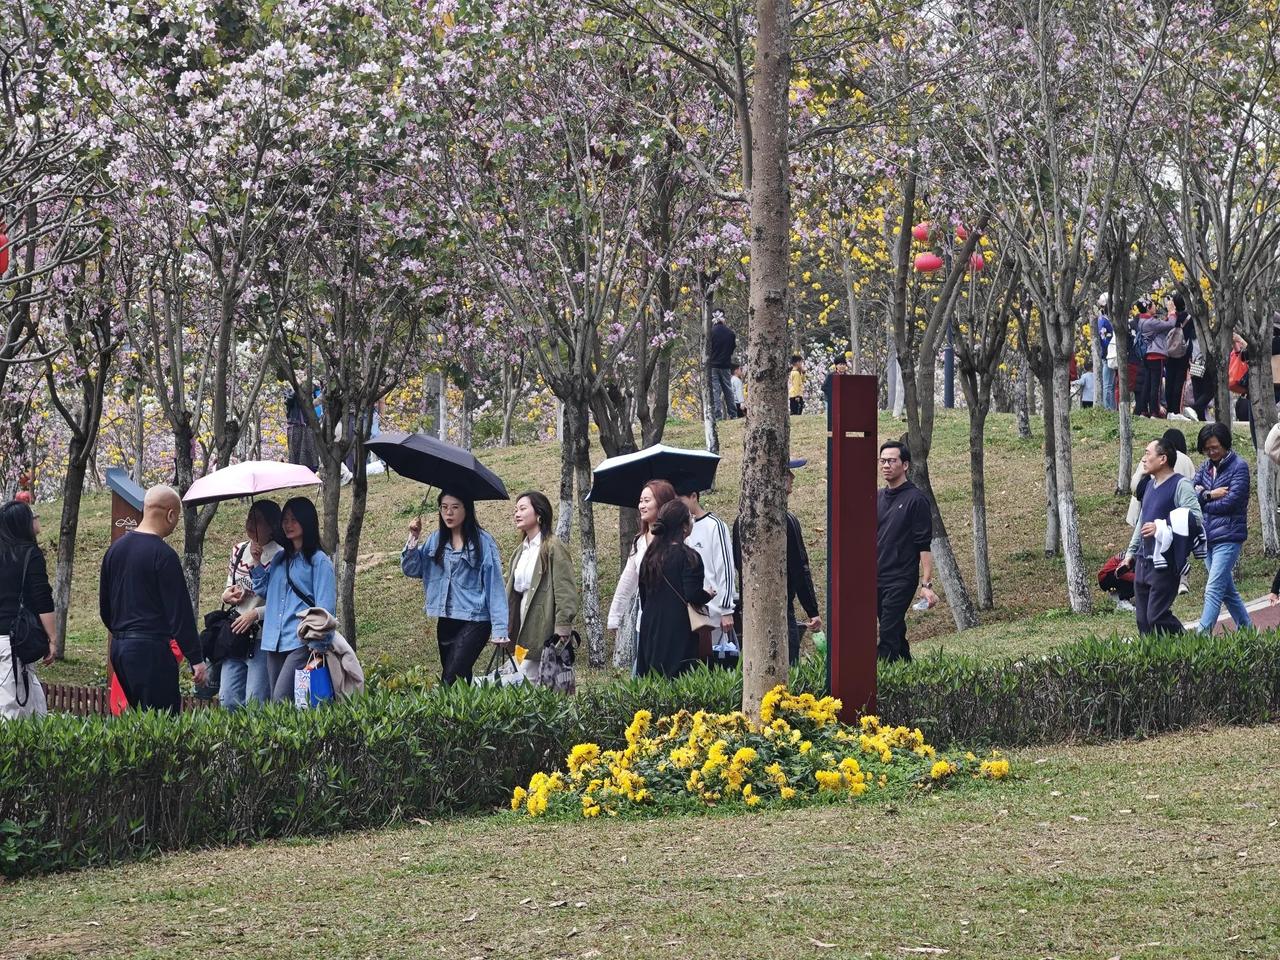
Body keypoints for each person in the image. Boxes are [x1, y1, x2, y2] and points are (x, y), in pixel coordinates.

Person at [100, 485, 206, 713]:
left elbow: (105, 608)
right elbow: (179, 613)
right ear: (170, 514)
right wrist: (195, 657)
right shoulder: (163, 555)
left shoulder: (114, 550)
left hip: (120, 648)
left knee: (136, 720)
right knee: (162, 721)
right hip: (151, 651)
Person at [402, 491, 509, 685]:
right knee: (461, 681)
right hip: (446, 619)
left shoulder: (483, 542)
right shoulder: (436, 540)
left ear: (467, 509)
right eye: (444, 507)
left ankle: (442, 715)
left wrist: (500, 628)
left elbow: (495, 586)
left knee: (450, 679)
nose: (448, 513)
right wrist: (413, 537)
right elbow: (412, 569)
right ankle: (464, 715)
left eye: (455, 507)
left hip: (476, 620)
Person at [731, 460, 821, 665]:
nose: (793, 478)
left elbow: (739, 564)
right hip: (780, 606)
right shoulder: (785, 520)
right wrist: (812, 610)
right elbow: (800, 568)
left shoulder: (742, 519)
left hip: (751, 608)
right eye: (787, 473)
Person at [252, 496, 336, 702]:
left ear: (306, 522)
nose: (288, 525)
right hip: (274, 641)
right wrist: (256, 562)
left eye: (294, 519)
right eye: (285, 520)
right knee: (280, 702)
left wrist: (317, 647)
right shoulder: (281, 558)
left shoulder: (318, 561)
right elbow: (266, 592)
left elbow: (325, 609)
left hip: (300, 641)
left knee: (282, 697)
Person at [1119, 438, 1204, 636]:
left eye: (1148, 454)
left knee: (1156, 616)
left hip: (1165, 562)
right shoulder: (1149, 486)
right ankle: (1153, 663)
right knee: (1143, 622)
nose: (1144, 459)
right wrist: (1130, 553)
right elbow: (1141, 522)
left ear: (1163, 458)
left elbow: (1196, 518)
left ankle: (1189, 645)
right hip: (1143, 561)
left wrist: (1162, 527)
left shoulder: (1180, 485)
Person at [636, 499, 714, 678]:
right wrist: (708, 595)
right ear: (684, 527)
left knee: (652, 680)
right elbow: (693, 594)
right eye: (690, 518)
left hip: (651, 626)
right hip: (678, 629)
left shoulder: (649, 557)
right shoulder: (689, 557)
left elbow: (644, 598)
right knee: (679, 680)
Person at [218, 501, 284, 710]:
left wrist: (255, 614)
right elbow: (230, 584)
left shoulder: (281, 555)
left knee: (256, 701)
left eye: (257, 521)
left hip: (262, 638)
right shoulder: (239, 550)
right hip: (236, 637)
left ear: (272, 526)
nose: (249, 524)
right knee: (227, 699)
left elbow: (281, 601)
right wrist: (228, 595)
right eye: (249, 518)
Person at [875, 441, 935, 663]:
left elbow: (924, 545)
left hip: (901, 578)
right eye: (883, 461)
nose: (886, 466)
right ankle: (907, 669)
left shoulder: (916, 500)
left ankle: (882, 676)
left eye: (892, 461)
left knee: (888, 631)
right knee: (896, 630)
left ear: (905, 465)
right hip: (877, 577)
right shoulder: (878, 497)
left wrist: (926, 584)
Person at [506, 491, 577, 678]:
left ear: (539, 513)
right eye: (516, 510)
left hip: (542, 621)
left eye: (522, 509)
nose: (517, 514)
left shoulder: (553, 547)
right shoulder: (520, 550)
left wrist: (563, 626)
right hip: (521, 620)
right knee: (523, 672)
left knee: (535, 676)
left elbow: (565, 590)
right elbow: (513, 591)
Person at [1192, 423, 1252, 634]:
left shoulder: (1239, 467)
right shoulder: (1205, 467)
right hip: (1207, 537)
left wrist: (1204, 501)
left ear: (1225, 445)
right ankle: (1248, 631)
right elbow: (1192, 492)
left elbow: (1231, 502)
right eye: (1207, 448)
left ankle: (1201, 635)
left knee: (1214, 588)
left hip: (1229, 536)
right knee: (1227, 591)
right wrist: (1210, 494)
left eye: (1214, 447)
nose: (1211, 452)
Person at [0, 501, 56, 719]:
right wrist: (52, 639)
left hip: (7, 641)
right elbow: (43, 599)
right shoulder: (30, 554)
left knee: (28, 704)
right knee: (13, 711)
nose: (36, 520)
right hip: (15, 642)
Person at [606, 479, 677, 650]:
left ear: (662, 504)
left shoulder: (676, 540)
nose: (641, 506)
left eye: (647, 501)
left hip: (672, 623)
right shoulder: (639, 541)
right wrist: (615, 617)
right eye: (640, 501)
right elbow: (627, 580)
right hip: (644, 622)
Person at [676, 481, 737, 660]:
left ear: (694, 497)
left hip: (713, 614)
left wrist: (726, 610)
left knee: (714, 662)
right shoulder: (678, 530)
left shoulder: (715, 525)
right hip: (688, 613)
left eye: (680, 500)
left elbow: (725, 568)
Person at [1136, 298, 1174, 418]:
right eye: (1153, 305)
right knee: (1156, 385)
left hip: (1147, 356)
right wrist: (1172, 312)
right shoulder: (1151, 322)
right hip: (1156, 355)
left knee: (1147, 384)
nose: (1155, 307)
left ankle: (1143, 410)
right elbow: (1170, 324)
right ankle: (1155, 411)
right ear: (1148, 308)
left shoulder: (1141, 320)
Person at [1164, 293, 1196, 419]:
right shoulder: (1189, 318)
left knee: (1169, 382)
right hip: (1183, 354)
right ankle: (1176, 411)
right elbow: (1193, 336)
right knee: (1179, 382)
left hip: (1170, 354)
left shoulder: (1172, 318)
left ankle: (1169, 409)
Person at [707, 314, 737, 421]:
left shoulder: (710, 333)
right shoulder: (730, 333)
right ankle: (733, 413)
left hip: (713, 365)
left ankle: (717, 415)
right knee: (728, 389)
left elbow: (707, 349)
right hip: (725, 365)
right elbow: (732, 348)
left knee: (716, 390)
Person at [1098, 294, 1117, 410]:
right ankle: (1108, 408)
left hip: (1111, 353)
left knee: (1111, 383)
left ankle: (1111, 407)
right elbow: (1104, 339)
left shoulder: (1108, 319)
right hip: (1108, 354)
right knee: (1108, 384)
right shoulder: (1103, 321)